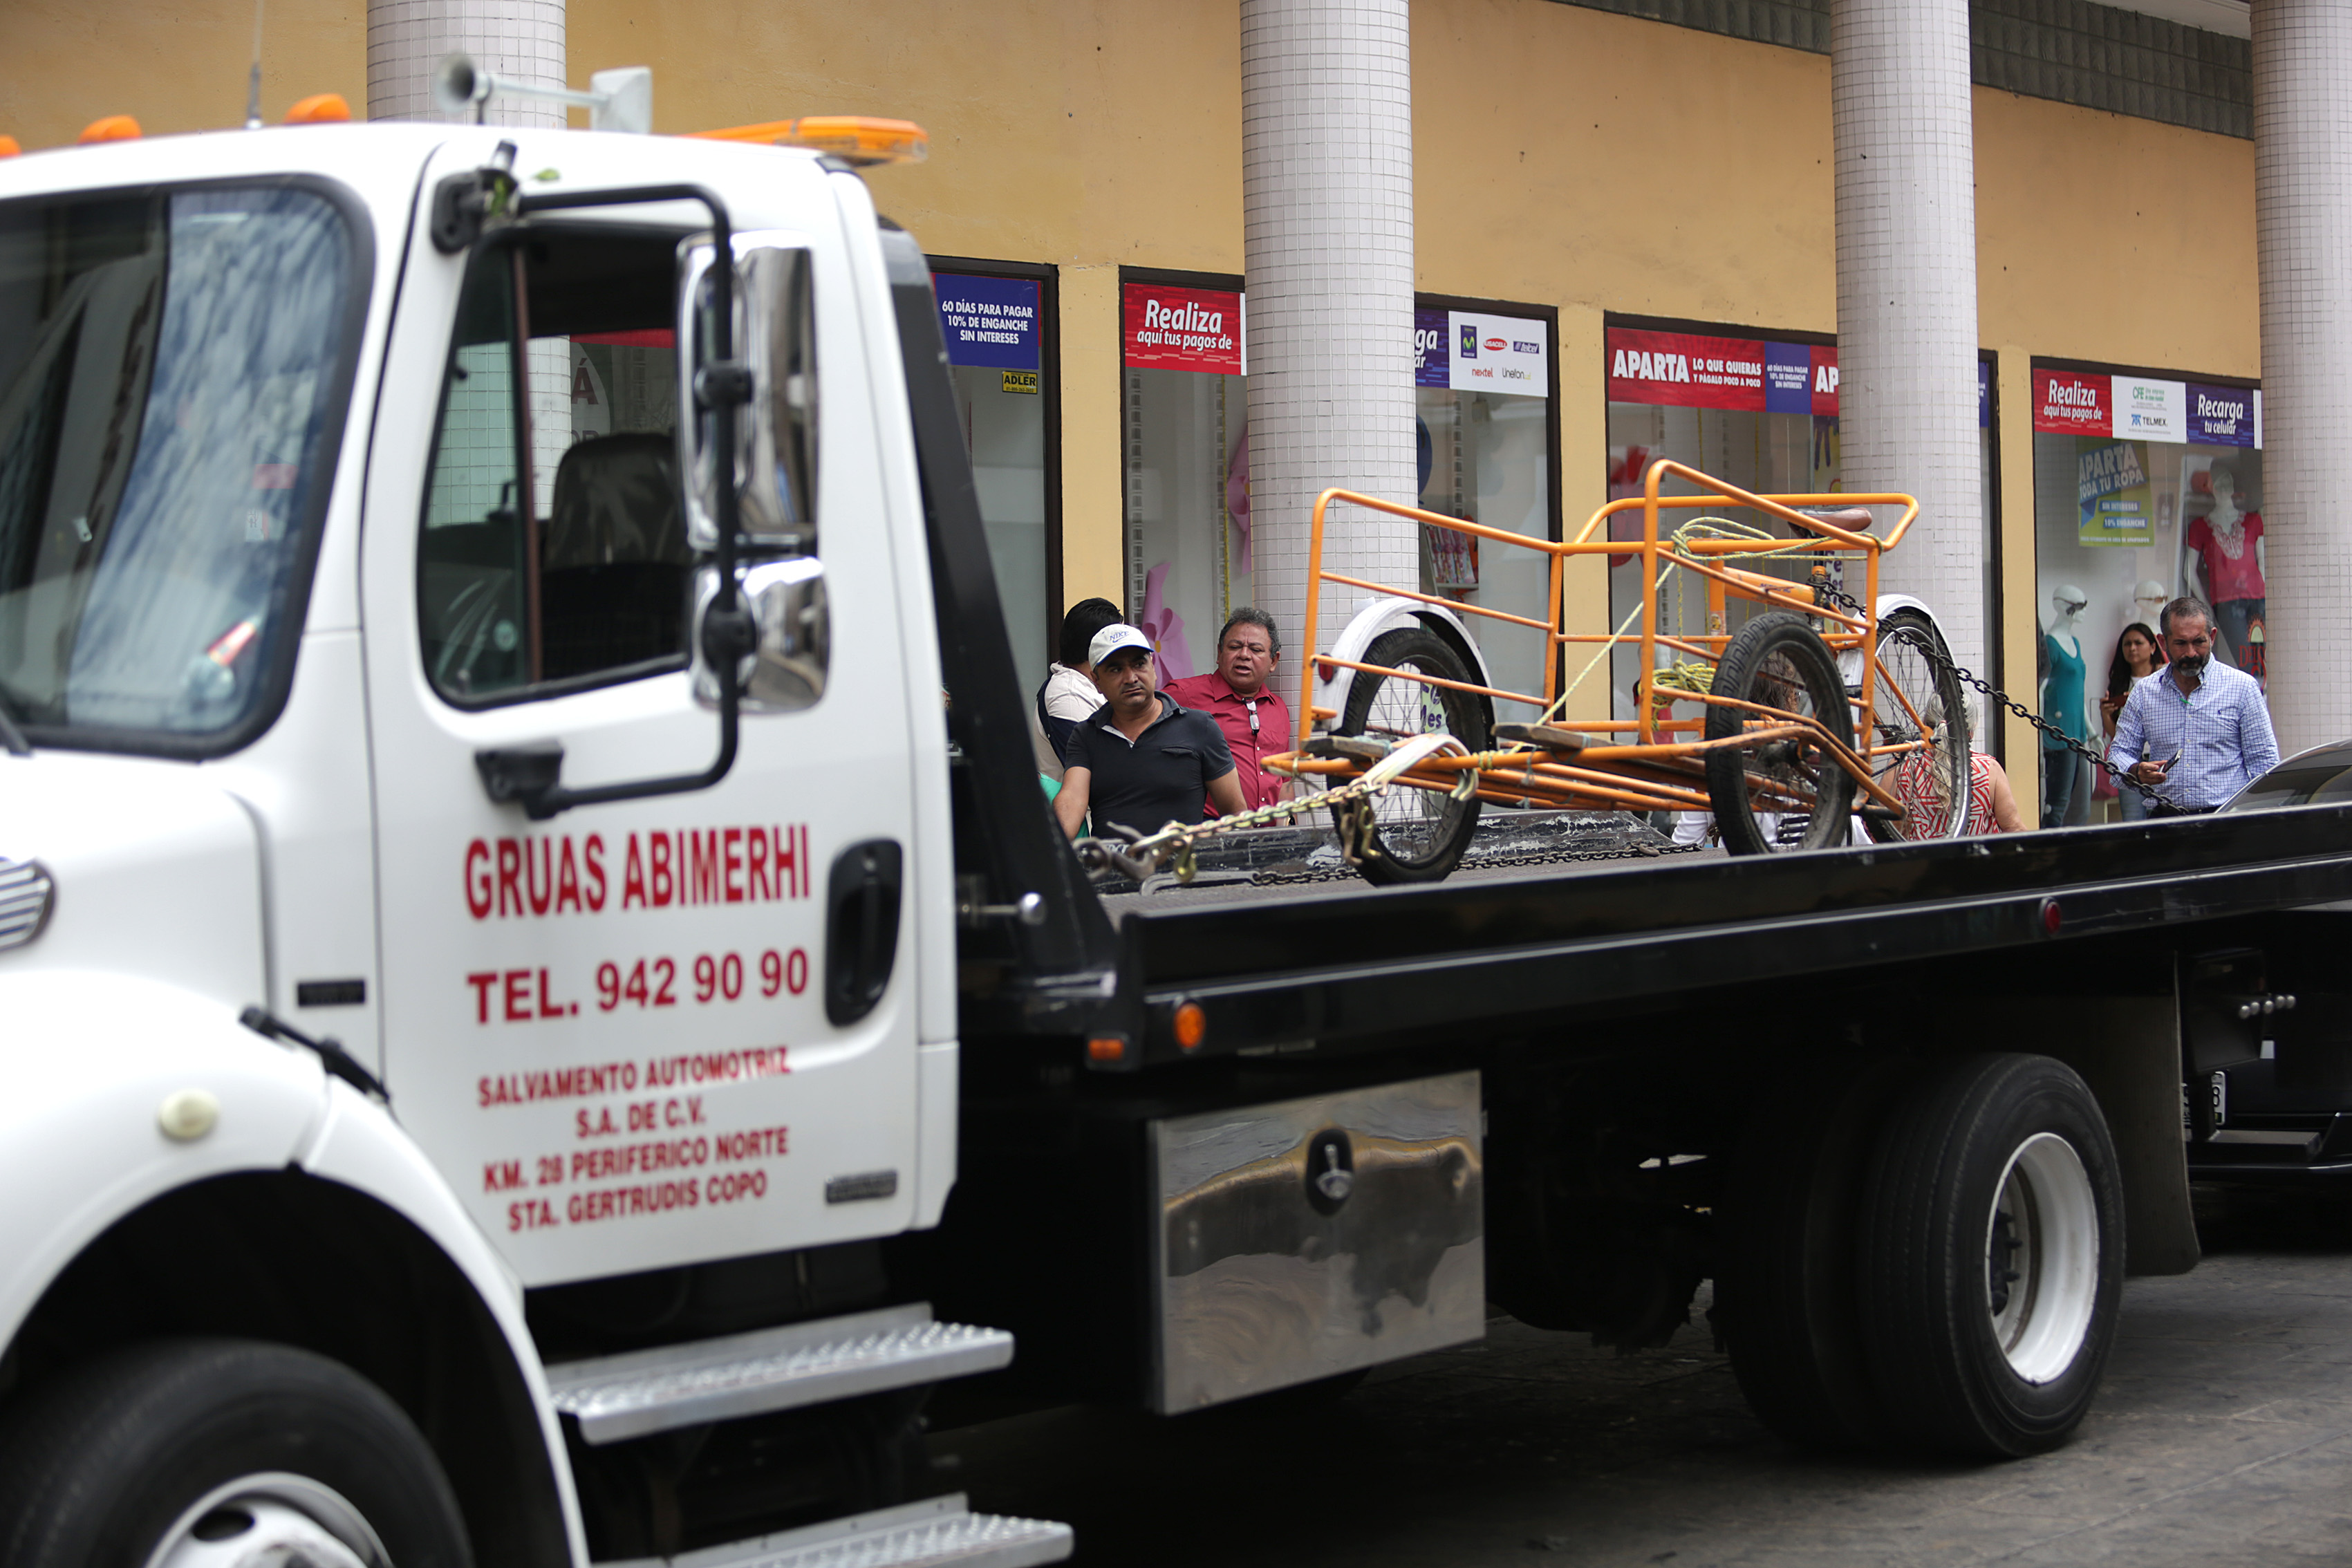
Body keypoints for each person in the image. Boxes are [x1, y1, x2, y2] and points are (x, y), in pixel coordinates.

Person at [1055, 624, 1247, 840]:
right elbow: (1072, 799)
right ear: (1097, 680)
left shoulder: (1199, 727)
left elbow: (1235, 814)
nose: (1131, 678)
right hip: (1113, 870)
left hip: (1184, 870)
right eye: (1116, 669)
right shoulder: (1086, 736)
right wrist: (1051, 852)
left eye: (1139, 664)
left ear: (1153, 667)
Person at [2108, 595, 2280, 814]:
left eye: (2199, 642)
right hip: (2166, 820)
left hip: (2226, 819)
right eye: (2180, 643)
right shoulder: (2144, 692)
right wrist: (2135, 770)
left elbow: (2264, 762)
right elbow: (2119, 753)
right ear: (2163, 643)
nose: (2191, 653)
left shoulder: (2242, 688)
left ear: (2212, 637)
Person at [1161, 607, 1294, 813]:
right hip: (1210, 835)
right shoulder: (1184, 695)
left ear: (1273, 661)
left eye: (1256, 650)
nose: (1244, 655)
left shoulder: (1278, 708)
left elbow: (1284, 781)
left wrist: (1288, 831)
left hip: (1270, 838)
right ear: (1219, 653)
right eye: (1235, 647)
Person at [1033, 597, 1123, 778]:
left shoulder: (1086, 684)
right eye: (1118, 641)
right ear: (1097, 647)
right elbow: (1096, 774)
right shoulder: (1068, 694)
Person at [2100, 622, 2166, 822]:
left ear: (2153, 647)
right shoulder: (2120, 681)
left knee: (2165, 824)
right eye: (2127, 644)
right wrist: (2105, 714)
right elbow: (2115, 736)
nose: (2132, 648)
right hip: (2132, 765)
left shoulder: (2165, 676)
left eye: (2138, 642)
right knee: (2133, 822)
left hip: (2162, 762)